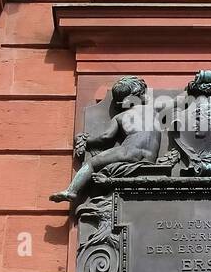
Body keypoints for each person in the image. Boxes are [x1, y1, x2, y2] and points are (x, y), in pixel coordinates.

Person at [51, 75, 161, 203]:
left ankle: (72, 191)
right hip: (150, 157)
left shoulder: (120, 117)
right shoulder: (153, 110)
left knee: (91, 163)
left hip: (129, 151)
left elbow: (105, 137)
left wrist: (87, 140)